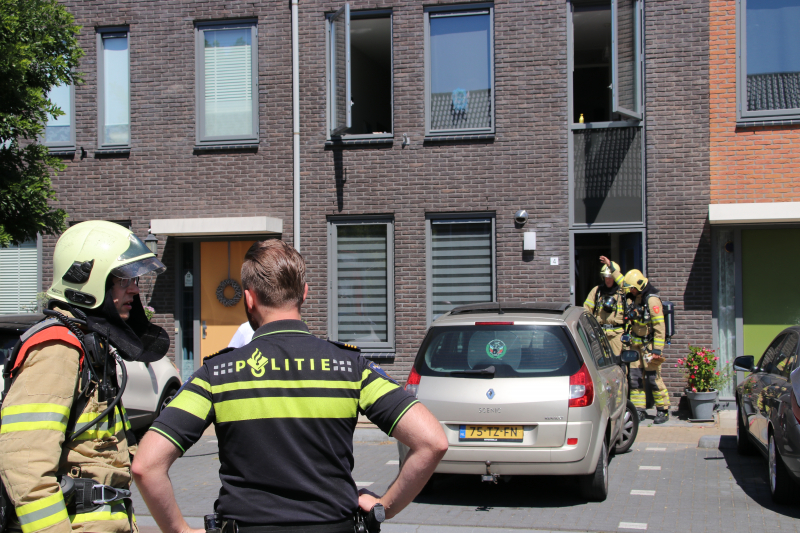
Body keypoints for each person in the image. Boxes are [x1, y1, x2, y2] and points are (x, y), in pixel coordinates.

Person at [132, 239, 448, 533]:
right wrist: (385, 506)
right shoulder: (350, 367)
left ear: (249, 298)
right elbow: (432, 442)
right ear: (305, 294)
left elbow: (146, 466)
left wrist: (179, 530)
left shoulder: (218, 372)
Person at [0, 220, 170, 533]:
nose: (133, 288)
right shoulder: (57, 348)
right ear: (87, 278)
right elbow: (25, 465)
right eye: (122, 279)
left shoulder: (88, 346)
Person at [622, 269, 670, 424]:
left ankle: (663, 410)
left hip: (649, 347)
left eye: (632, 288)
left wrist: (657, 350)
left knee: (653, 378)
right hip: (636, 345)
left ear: (639, 285)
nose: (631, 291)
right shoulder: (637, 297)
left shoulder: (652, 300)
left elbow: (659, 327)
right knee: (635, 378)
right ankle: (639, 410)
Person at [583, 256, 625, 356]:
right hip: (600, 334)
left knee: (617, 362)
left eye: (610, 277)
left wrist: (610, 265)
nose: (608, 280)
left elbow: (625, 283)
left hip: (617, 336)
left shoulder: (623, 293)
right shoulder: (597, 291)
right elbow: (586, 311)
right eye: (606, 276)